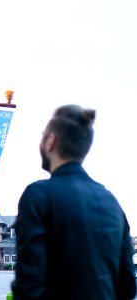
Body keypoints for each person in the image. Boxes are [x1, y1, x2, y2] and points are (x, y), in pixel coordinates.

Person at [11, 105, 136, 300]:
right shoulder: (111, 202)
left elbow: (29, 286)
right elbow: (128, 286)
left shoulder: (38, 195)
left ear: (51, 141)